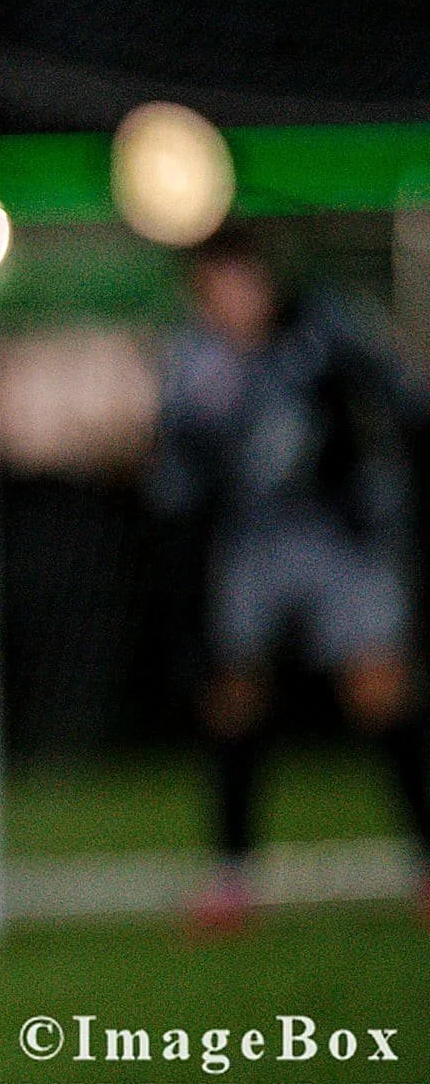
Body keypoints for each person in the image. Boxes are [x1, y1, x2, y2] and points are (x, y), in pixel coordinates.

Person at [152, 224, 430, 934]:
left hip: (337, 536)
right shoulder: (196, 363)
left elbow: (400, 403)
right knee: (235, 695)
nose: (235, 299)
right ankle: (232, 877)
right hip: (252, 541)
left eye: (245, 282)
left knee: (379, 688)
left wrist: (375, 492)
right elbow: (177, 472)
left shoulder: (324, 330)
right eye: (219, 287)